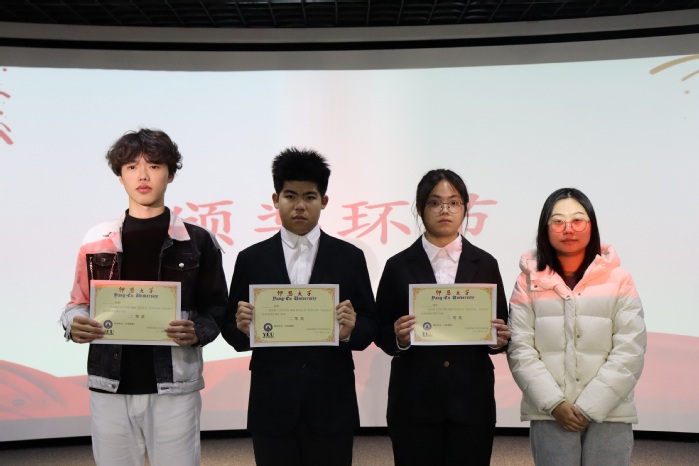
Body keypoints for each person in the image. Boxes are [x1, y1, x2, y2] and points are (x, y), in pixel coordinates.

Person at [59, 128, 228, 466]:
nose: (143, 176)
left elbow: (217, 306)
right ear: (120, 176)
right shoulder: (97, 239)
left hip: (174, 386)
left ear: (170, 173)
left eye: (154, 165)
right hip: (109, 383)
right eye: (132, 167)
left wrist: (197, 331)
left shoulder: (197, 240)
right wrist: (74, 323)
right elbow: (77, 303)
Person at [217, 148, 378, 466]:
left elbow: (371, 322)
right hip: (272, 402)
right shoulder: (251, 259)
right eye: (290, 196)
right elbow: (229, 327)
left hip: (332, 402)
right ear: (275, 199)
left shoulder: (349, 257)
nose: (300, 205)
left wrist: (350, 330)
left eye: (310, 197)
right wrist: (242, 328)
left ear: (324, 201)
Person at [374, 169, 511, 466]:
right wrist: (398, 337)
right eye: (435, 202)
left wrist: (498, 340)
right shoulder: (398, 265)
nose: (445, 210)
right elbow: (380, 330)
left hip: (471, 400)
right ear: (420, 208)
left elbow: (500, 327)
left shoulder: (485, 263)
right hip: (414, 401)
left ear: (464, 208)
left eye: (454, 202)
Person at [507, 187, 646, 466]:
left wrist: (591, 405)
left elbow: (631, 348)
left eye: (578, 220)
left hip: (610, 410)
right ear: (545, 228)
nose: (568, 228)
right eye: (558, 221)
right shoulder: (527, 281)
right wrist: (555, 403)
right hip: (551, 412)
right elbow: (520, 348)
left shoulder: (620, 279)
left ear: (591, 226)